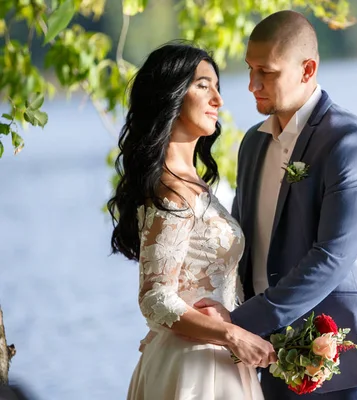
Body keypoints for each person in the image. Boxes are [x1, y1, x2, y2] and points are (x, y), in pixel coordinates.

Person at [195, 10, 357, 400]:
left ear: (307, 69)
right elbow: (250, 248)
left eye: (267, 72)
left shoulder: (351, 145)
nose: (252, 84)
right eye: (249, 69)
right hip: (275, 366)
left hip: (351, 368)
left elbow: (329, 258)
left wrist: (235, 323)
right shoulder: (253, 145)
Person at [107, 42, 275, 400]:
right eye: (203, 85)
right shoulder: (171, 190)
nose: (218, 99)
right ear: (172, 95)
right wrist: (233, 335)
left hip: (222, 361)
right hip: (193, 370)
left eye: (217, 87)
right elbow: (154, 297)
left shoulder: (193, 182)